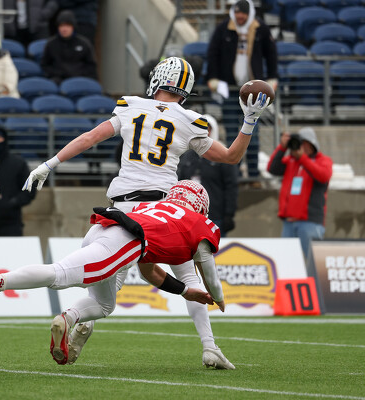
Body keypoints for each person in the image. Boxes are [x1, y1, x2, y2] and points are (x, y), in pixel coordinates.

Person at [22, 56, 270, 368]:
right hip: (160, 211)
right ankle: (209, 346)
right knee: (187, 274)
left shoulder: (131, 106)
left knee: (108, 280)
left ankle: (81, 319)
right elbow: (232, 157)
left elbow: (88, 139)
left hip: (122, 209)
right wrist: (249, 121)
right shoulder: (188, 120)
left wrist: (49, 164)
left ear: (158, 80)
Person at [0, 181, 224, 366]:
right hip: (122, 242)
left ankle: (67, 318)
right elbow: (210, 277)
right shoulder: (200, 223)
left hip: (104, 228)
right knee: (59, 275)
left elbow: (149, 272)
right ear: (200, 206)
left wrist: (185, 291)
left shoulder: (151, 208)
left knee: (105, 304)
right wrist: (218, 298)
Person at [206, 0, 278, 181]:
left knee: (253, 134)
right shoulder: (224, 28)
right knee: (232, 133)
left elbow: (271, 53)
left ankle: (253, 175)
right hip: (230, 90)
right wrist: (212, 78)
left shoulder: (260, 28)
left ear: (249, 13)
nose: (239, 17)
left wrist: (272, 77)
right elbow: (213, 53)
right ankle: (234, 175)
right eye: (237, 13)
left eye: (243, 13)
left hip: (254, 92)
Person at [266, 127, 332, 259]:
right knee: (286, 262)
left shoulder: (323, 160)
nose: (300, 147)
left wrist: (303, 158)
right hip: (288, 223)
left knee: (313, 262)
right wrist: (282, 147)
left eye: (304, 143)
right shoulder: (291, 161)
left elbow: (323, 176)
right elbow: (272, 168)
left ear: (312, 144)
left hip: (310, 223)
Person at [177, 114, 238, 237]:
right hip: (189, 216)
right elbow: (179, 183)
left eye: (207, 129)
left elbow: (231, 186)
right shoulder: (187, 155)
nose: (204, 132)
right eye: (200, 128)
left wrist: (229, 214)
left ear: (212, 130)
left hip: (215, 216)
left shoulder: (223, 155)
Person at [40, 9, 97, 85]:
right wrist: (57, 73)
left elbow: (91, 65)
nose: (64, 29)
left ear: (73, 27)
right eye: (61, 26)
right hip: (58, 80)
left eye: (67, 25)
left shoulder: (84, 43)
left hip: (80, 79)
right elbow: (45, 65)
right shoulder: (51, 44)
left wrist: (81, 74)